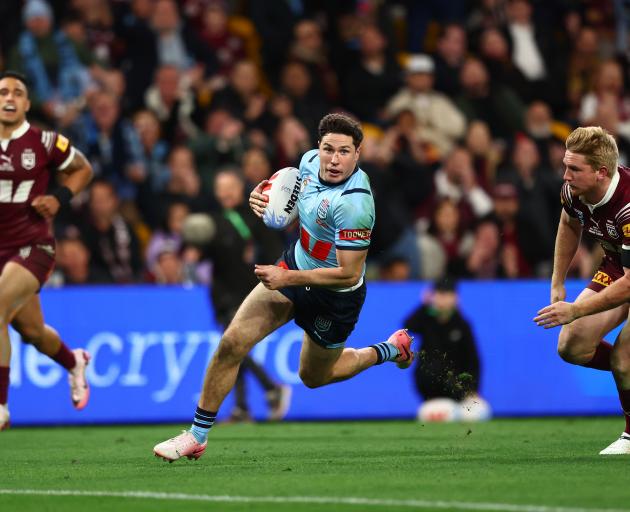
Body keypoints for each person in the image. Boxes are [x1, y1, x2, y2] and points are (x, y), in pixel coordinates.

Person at [153, 113, 414, 461]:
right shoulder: (306, 163)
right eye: (327, 149)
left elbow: (348, 274)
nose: (334, 160)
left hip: (334, 297)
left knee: (315, 376)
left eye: (344, 152)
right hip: (294, 266)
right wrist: (259, 198)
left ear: (358, 154)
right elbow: (287, 202)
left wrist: (287, 278)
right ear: (317, 147)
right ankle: (196, 435)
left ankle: (390, 349)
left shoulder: (355, 204)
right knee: (232, 342)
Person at [0, 71, 94, 430]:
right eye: (3, 91)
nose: (9, 97)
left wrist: (59, 197)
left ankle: (1, 406)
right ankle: (74, 362)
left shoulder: (45, 142)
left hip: (31, 246)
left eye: (17, 92)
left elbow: (82, 170)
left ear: (26, 104)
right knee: (33, 332)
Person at [533, 126, 630, 455]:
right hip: (619, 265)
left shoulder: (628, 207)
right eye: (565, 166)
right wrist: (557, 281)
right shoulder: (574, 193)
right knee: (572, 345)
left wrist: (575, 309)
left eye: (574, 169)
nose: (566, 175)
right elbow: (568, 223)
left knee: (624, 356)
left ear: (602, 173)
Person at [204, 168, 291, 423]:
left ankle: (271, 389)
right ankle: (243, 406)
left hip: (247, 292)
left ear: (240, 189)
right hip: (222, 294)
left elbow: (274, 247)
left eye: (230, 186)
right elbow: (203, 253)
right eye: (221, 188)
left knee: (233, 347)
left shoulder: (256, 215)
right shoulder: (214, 221)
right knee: (233, 348)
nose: (226, 192)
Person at [404, 277, 490, 422]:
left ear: (455, 297)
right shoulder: (426, 320)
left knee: (481, 411)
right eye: (439, 294)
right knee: (438, 413)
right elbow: (408, 326)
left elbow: (473, 360)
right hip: (434, 395)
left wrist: (473, 390)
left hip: (460, 393)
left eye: (447, 294)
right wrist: (424, 305)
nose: (443, 299)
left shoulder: (462, 324)